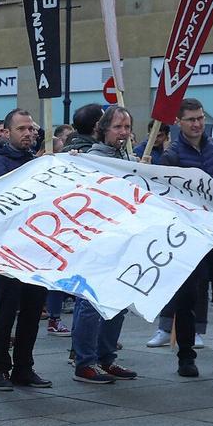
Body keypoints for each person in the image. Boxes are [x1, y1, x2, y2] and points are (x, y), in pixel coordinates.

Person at [155, 98, 213, 378]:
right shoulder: (172, 156)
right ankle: (186, 357)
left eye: (200, 118)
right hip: (190, 235)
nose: (197, 124)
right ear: (179, 123)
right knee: (187, 298)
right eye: (191, 119)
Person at [0, 109, 50, 390]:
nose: (29, 133)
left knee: (32, 310)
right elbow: (6, 196)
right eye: (22, 129)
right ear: (7, 133)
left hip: (37, 247)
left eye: (31, 128)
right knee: (7, 308)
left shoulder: (37, 160)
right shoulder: (0, 162)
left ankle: (24, 366)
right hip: (9, 248)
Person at [67, 105, 140, 383]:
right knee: (91, 301)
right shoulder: (93, 159)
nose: (123, 133)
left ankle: (106, 358)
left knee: (118, 300)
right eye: (118, 127)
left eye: (127, 127)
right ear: (103, 130)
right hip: (95, 239)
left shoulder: (128, 158)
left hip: (122, 238)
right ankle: (85, 362)